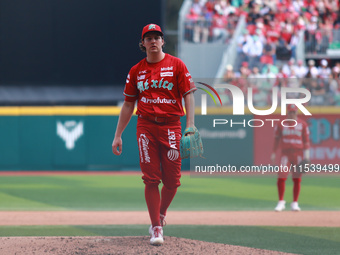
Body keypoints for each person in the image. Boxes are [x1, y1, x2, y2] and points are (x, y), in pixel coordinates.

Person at [111, 24, 196, 245]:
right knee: (151, 178)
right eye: (148, 38)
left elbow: (188, 95)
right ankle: (156, 228)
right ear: (143, 43)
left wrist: (191, 125)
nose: (153, 41)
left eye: (157, 37)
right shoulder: (136, 70)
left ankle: (160, 214)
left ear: (163, 41)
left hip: (171, 126)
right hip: (146, 126)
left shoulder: (176, 65)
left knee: (172, 182)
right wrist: (118, 134)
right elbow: (128, 105)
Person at [271, 104, 310, 212]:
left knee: (297, 178)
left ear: (296, 113)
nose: (292, 114)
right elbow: (276, 139)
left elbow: (306, 141)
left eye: (294, 112)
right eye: (290, 112)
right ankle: (281, 201)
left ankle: (295, 203)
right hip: (285, 154)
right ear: (287, 113)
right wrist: (273, 152)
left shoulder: (302, 124)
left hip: (298, 154)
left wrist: (307, 156)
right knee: (281, 177)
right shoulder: (281, 124)